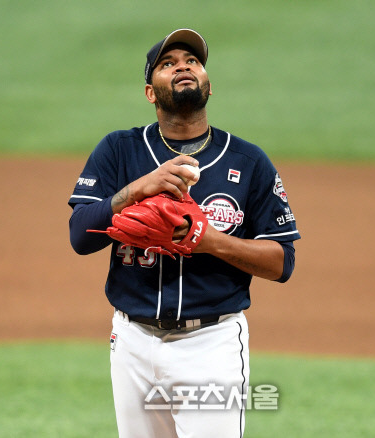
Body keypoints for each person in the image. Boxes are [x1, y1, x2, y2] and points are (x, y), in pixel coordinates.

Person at [68, 28, 300, 438]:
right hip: (132, 341)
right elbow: (80, 236)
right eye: (168, 63)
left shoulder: (249, 162)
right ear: (149, 93)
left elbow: (283, 263)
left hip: (210, 345)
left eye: (192, 61)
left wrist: (209, 241)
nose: (183, 66)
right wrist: (137, 190)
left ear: (208, 85)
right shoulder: (119, 151)